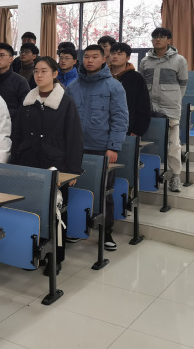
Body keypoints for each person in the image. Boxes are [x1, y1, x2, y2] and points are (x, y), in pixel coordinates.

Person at [12, 56, 83, 275]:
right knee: (31, 210)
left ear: (54, 74)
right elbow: (17, 135)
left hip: (55, 165)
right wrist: (15, 162)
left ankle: (56, 258)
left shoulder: (65, 102)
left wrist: (72, 170)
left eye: (44, 71)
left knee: (56, 212)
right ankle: (34, 253)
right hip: (29, 163)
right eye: (36, 71)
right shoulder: (28, 101)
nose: (39, 75)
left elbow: (74, 138)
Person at [66, 44, 128, 251]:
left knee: (103, 192)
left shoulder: (114, 86)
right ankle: (77, 228)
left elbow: (120, 119)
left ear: (103, 59)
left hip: (101, 148)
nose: (90, 60)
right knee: (76, 189)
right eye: (86, 57)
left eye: (94, 57)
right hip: (76, 148)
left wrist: (113, 147)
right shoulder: (73, 86)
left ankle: (106, 232)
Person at [139, 27, 188, 192]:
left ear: (169, 40)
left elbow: (182, 85)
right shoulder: (145, 61)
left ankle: (175, 176)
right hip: (148, 107)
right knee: (148, 142)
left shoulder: (179, 60)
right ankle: (147, 174)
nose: (158, 39)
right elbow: (141, 85)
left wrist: (173, 99)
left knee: (173, 145)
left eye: (162, 37)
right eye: (155, 37)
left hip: (170, 108)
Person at [0, 43, 30, 150]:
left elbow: (25, 110)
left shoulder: (20, 81)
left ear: (11, 59)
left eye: (2, 55)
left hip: (11, 131)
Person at [110, 42, 151, 137]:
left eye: (119, 54)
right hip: (103, 127)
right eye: (113, 53)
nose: (115, 56)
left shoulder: (136, 78)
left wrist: (138, 130)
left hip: (128, 129)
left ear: (128, 57)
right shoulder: (103, 76)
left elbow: (143, 106)